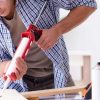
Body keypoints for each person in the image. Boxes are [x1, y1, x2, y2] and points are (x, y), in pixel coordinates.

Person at [0, 0, 97, 92]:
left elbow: (88, 4)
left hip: (57, 76)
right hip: (17, 85)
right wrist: (6, 66)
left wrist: (57, 30)